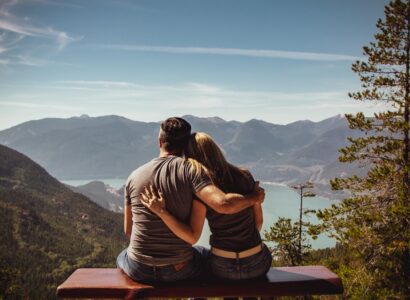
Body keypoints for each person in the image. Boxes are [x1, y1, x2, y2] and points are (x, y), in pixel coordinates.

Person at [117, 118, 265, 283]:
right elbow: (222, 206)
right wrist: (254, 198)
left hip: (138, 269)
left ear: (160, 142)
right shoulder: (193, 172)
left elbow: (128, 230)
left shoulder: (133, 176)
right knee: (202, 253)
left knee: (122, 256)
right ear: (185, 144)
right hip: (179, 269)